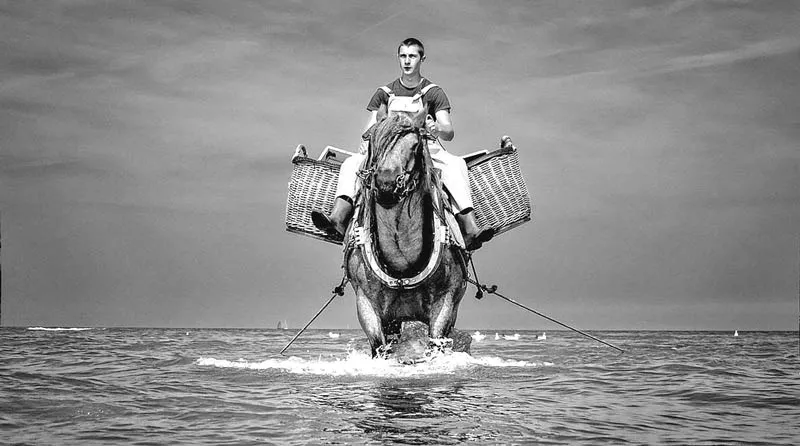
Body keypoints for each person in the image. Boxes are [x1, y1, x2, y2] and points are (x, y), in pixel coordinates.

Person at [312, 38, 494, 250]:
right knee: (350, 164)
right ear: (398, 58)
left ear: (421, 59)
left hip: (425, 149)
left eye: (412, 56)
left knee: (455, 166)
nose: (407, 61)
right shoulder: (384, 93)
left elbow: (449, 131)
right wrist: (373, 134)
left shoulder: (433, 92)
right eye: (403, 56)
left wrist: (437, 128)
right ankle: (338, 219)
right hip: (387, 151)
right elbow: (369, 128)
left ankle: (469, 229)